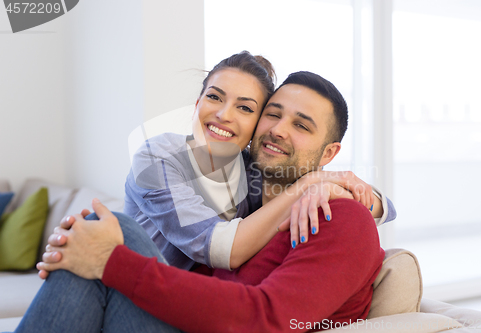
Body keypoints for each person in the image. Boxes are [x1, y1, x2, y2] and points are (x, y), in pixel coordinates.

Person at [14, 71, 391, 333]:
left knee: (117, 233)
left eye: (301, 125)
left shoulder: (341, 218)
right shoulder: (246, 198)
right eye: (272, 115)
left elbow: (268, 320)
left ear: (329, 153)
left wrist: (111, 261)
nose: (278, 129)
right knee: (104, 230)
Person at [120, 51, 392, 272]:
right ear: (197, 104)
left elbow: (385, 209)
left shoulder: (251, 167)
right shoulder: (158, 157)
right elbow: (220, 248)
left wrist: (339, 188)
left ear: (254, 125)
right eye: (214, 97)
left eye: (245, 108)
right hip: (127, 293)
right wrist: (313, 181)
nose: (224, 115)